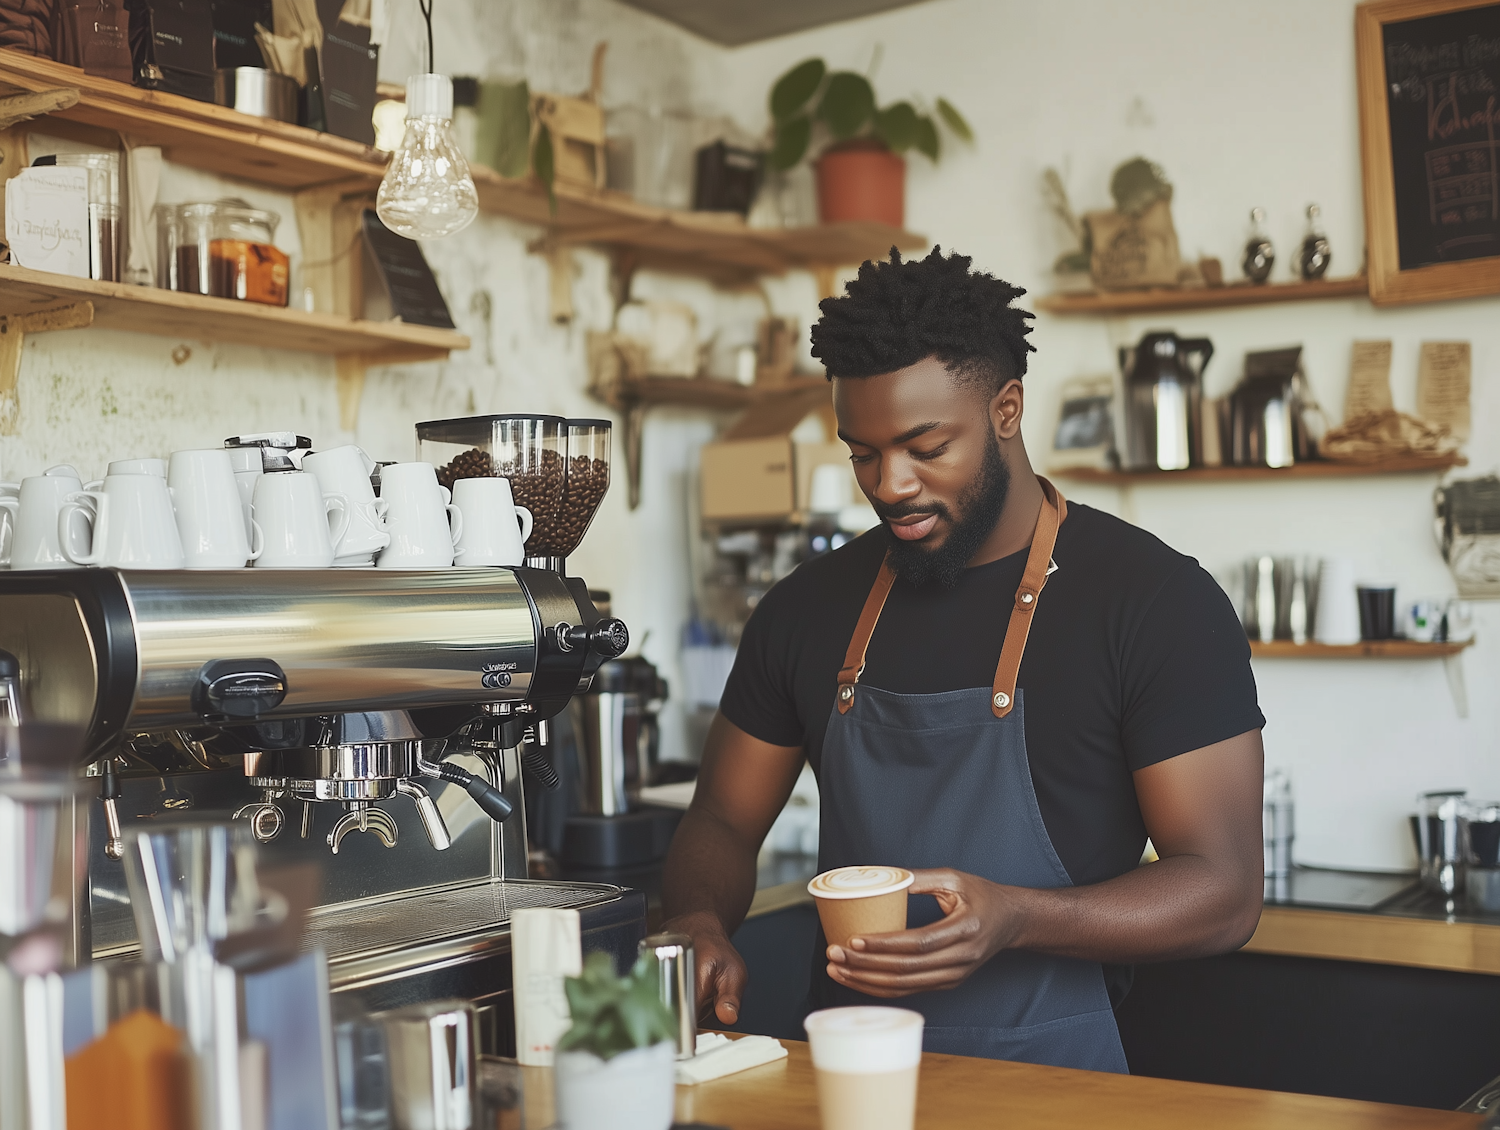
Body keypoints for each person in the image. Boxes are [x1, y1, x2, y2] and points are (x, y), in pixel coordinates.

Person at [660, 247, 1265, 1071]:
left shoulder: (1154, 604)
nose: (891, 483)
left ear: (1007, 409)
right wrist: (697, 919)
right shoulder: (805, 609)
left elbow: (1225, 892)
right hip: (848, 1080)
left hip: (1060, 1090)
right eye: (862, 453)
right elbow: (724, 820)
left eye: (924, 446)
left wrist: (1018, 916)